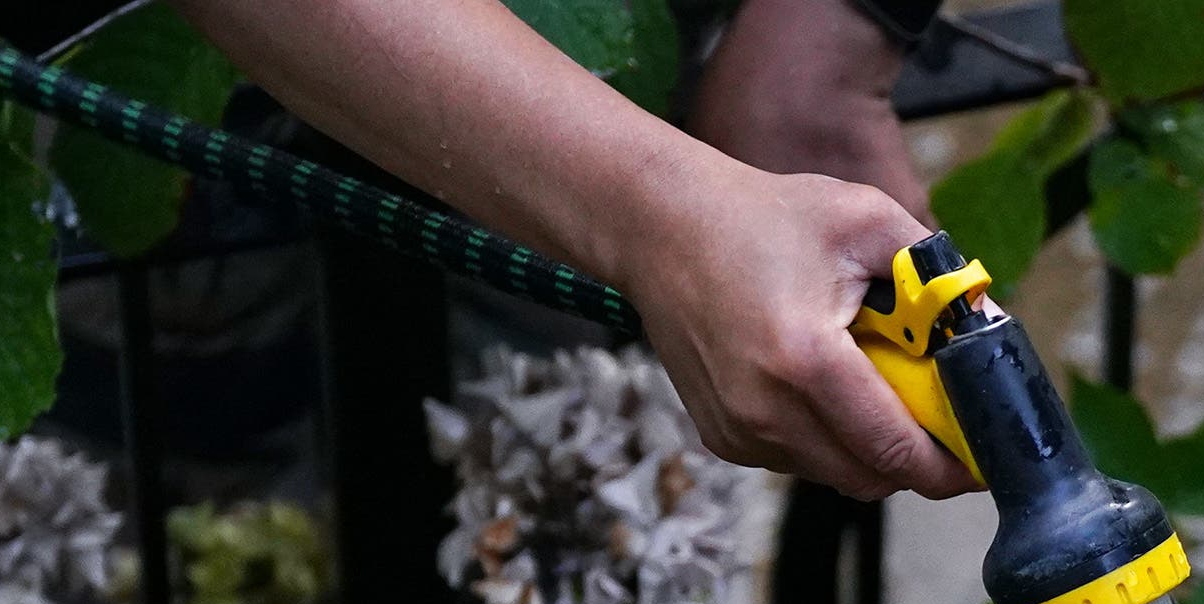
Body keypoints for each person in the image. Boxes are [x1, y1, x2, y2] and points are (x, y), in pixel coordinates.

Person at [176, 0, 981, 505]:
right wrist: (657, 216)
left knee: (539, 577)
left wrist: (837, 28)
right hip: (214, 114)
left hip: (637, 113)